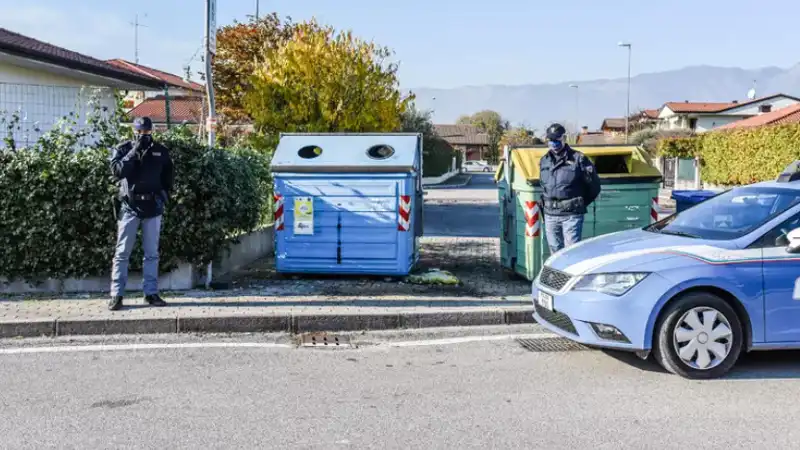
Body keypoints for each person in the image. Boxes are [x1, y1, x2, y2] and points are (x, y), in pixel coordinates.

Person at [108, 117, 174, 311]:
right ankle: (116, 295)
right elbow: (117, 171)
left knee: (152, 253)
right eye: (140, 132)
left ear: (151, 131)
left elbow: (168, 178)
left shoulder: (161, 151)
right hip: (130, 206)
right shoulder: (123, 149)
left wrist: (162, 196)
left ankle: (151, 293)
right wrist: (134, 151)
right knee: (122, 253)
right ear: (133, 131)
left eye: (146, 132)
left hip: (153, 207)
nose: (143, 135)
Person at [539, 123, 601, 254]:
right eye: (550, 140)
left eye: (557, 139)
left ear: (564, 138)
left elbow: (594, 187)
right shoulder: (544, 160)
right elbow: (543, 186)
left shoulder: (579, 159)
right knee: (555, 252)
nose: (553, 143)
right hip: (550, 214)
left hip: (571, 215)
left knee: (571, 252)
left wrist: (578, 204)